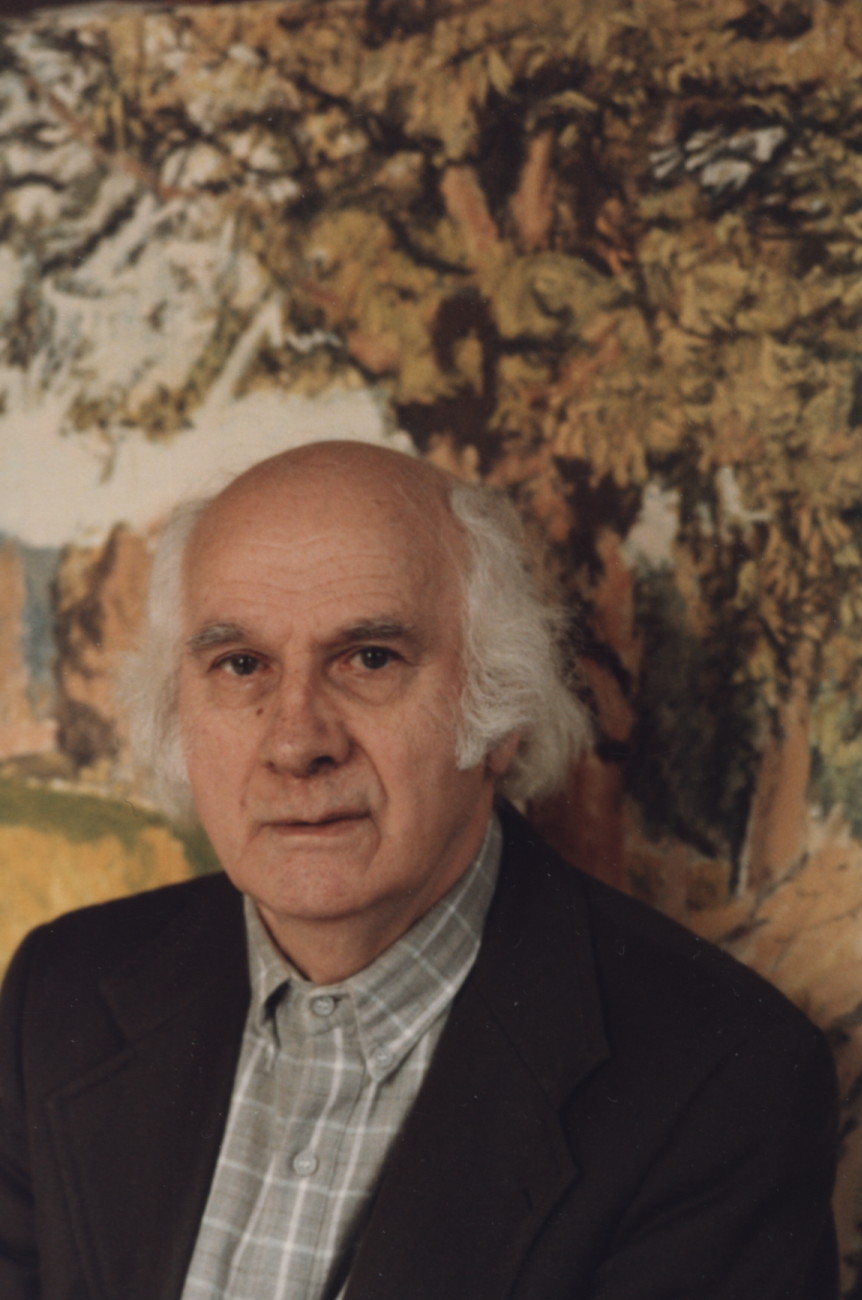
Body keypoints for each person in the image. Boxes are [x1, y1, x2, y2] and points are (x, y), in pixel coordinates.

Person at [0, 440, 839, 1300]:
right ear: (180, 714)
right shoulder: (59, 996)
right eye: (241, 665)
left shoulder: (724, 1085)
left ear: (499, 715)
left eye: (370, 658)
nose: (296, 741)